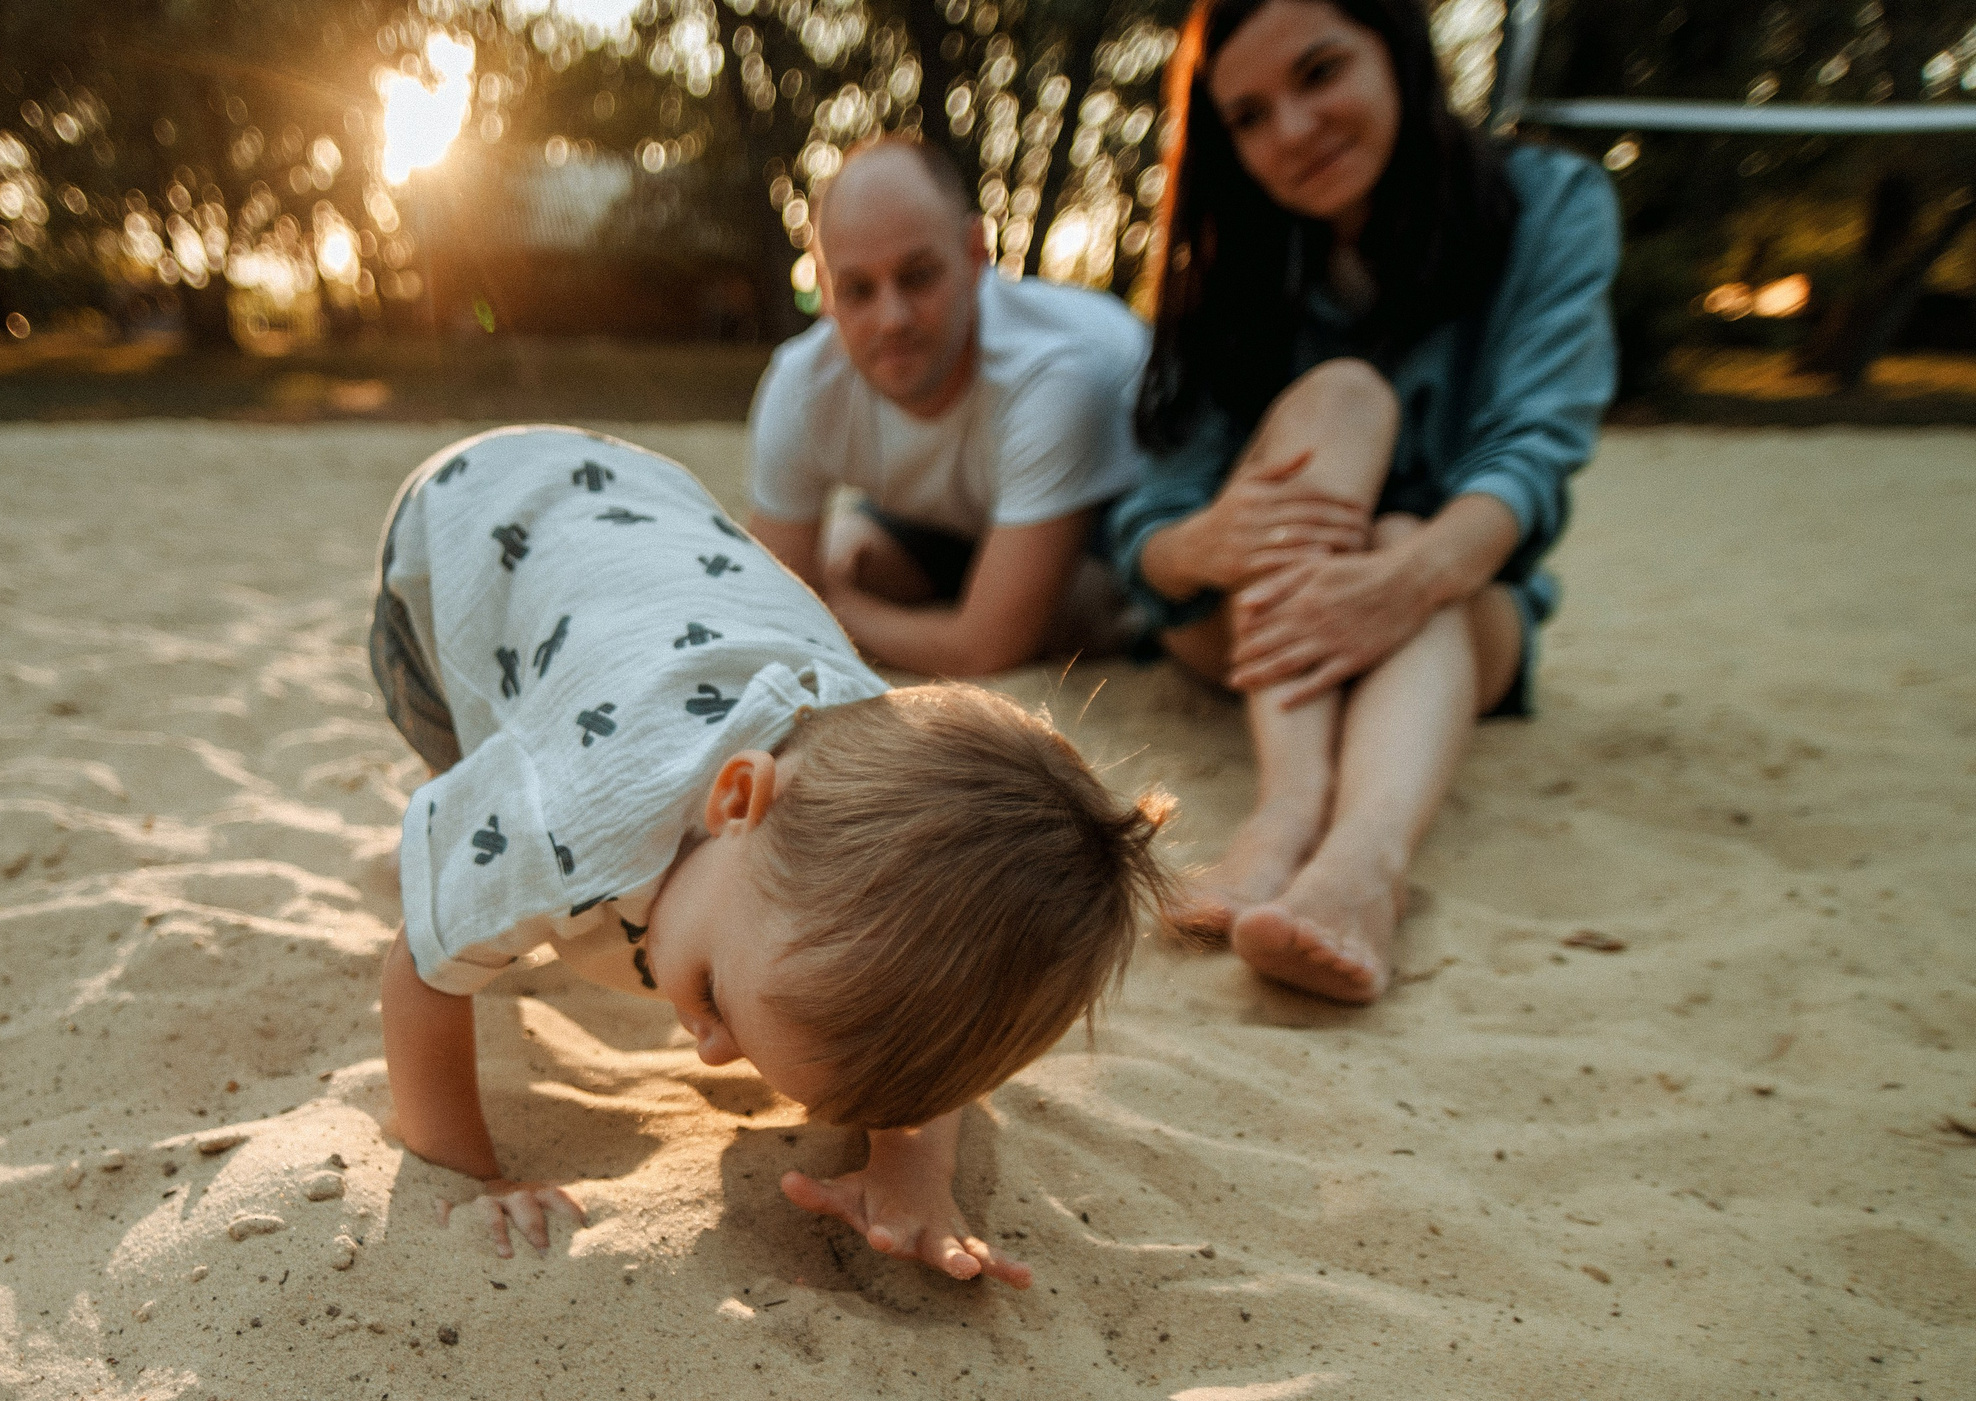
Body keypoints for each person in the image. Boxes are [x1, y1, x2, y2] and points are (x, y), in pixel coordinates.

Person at [371, 425, 1171, 1284]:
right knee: (467, 820)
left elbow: (931, 994)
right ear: (734, 799)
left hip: (653, 540)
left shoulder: (857, 757)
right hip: (458, 530)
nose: (709, 1050)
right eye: (717, 994)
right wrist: (472, 1174)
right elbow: (420, 971)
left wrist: (912, 1163)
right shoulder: (566, 819)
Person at [1105, 0, 1619, 1002]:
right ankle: (1287, 816)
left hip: (1463, 611)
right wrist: (1201, 541)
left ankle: (1362, 866)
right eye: (1247, 115)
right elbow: (1149, 527)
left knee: (1404, 529)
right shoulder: (1234, 261)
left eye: (1318, 73)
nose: (1290, 131)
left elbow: (1535, 448)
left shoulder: (1549, 204)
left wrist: (1405, 572)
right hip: (1241, 624)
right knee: (1344, 398)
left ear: (1398, 54)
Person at [744, 138, 1153, 675]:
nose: (892, 318)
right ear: (824, 290)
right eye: (858, 290)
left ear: (974, 254)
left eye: (917, 277)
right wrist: (828, 594)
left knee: (1073, 616)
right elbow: (777, 599)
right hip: (958, 517)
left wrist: (833, 609)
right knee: (851, 561)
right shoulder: (801, 384)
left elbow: (986, 648)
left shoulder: (1056, 376)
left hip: (1111, 516)